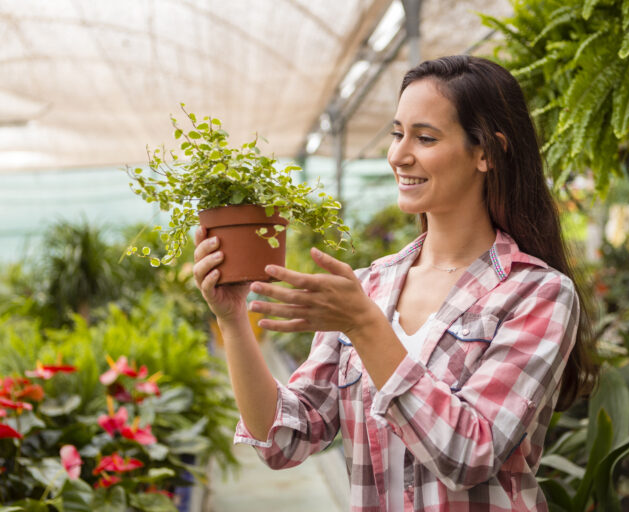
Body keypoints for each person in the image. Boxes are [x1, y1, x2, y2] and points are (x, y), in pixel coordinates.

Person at [193, 55, 597, 512]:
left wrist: (365, 327)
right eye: (396, 133)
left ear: (486, 152)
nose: (398, 155)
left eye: (424, 138)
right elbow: (284, 440)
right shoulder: (368, 287)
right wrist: (232, 322)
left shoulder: (536, 293)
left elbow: (471, 454)